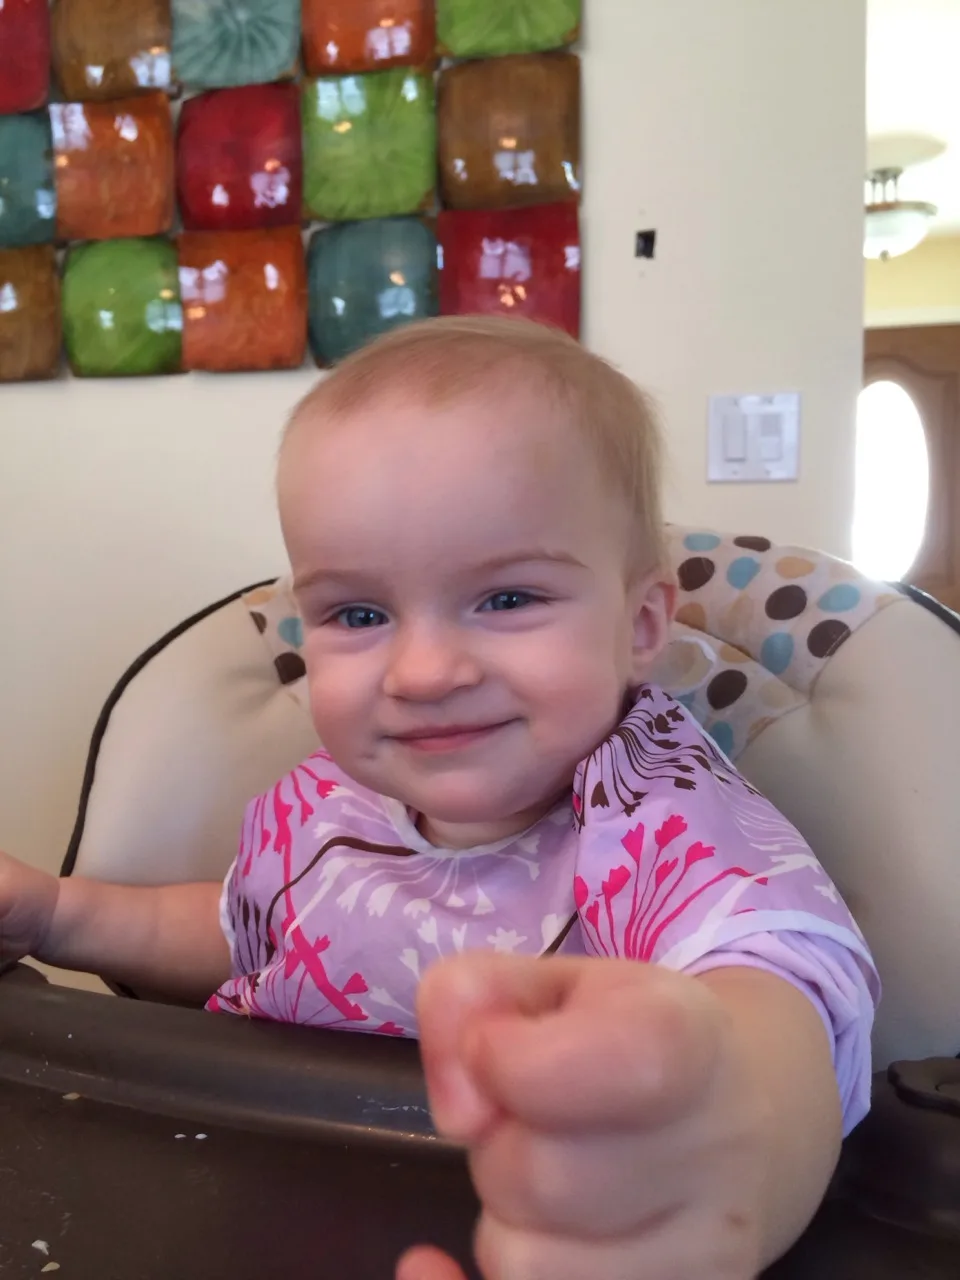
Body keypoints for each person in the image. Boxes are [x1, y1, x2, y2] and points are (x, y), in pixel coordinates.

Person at [0, 316, 878, 1280]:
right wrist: (59, 913)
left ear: (638, 625)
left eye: (506, 598)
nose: (423, 671)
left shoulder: (654, 813)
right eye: (360, 614)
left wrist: (713, 1173)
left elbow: (773, 1001)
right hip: (257, 1193)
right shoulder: (326, 804)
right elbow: (245, 929)